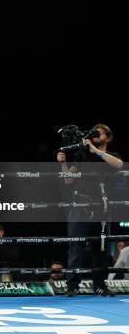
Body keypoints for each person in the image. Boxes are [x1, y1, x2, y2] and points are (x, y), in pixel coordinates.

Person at [57, 123, 123, 297]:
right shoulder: (81, 155)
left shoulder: (110, 156)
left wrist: (95, 150)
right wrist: (63, 164)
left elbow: (119, 164)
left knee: (100, 248)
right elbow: (68, 180)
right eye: (93, 133)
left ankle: (99, 286)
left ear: (108, 138)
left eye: (98, 134)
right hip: (81, 204)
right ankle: (72, 286)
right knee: (75, 246)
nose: (94, 136)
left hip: (102, 205)